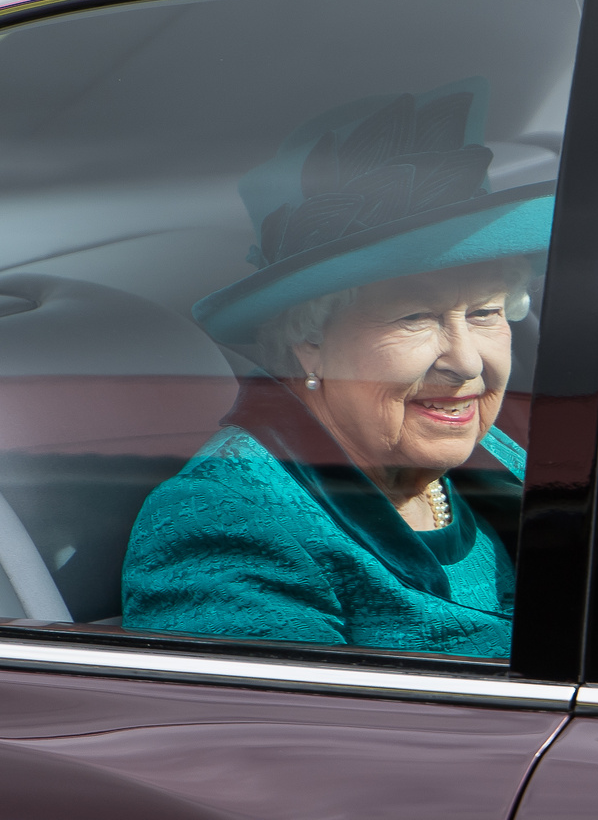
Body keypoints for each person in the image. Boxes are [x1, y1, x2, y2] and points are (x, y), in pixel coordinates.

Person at [123, 84, 552, 656]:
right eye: (416, 315)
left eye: (484, 313)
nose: (467, 360)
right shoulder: (231, 520)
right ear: (309, 337)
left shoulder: (497, 453)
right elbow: (272, 738)